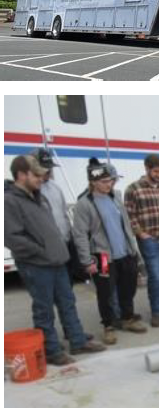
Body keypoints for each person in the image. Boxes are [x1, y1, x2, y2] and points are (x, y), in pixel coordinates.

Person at [5, 155, 106, 365]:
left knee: (67, 302)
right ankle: (51, 350)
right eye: (37, 174)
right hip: (36, 265)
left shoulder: (38, 196)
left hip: (57, 260)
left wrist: (58, 249)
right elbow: (12, 238)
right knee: (44, 309)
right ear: (22, 175)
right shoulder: (9, 200)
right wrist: (42, 251)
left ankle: (77, 341)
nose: (42, 178)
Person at [73, 162, 147, 345]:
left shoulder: (115, 197)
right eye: (105, 181)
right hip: (103, 257)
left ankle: (127, 318)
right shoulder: (84, 204)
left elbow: (126, 226)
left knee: (128, 288)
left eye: (111, 180)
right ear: (93, 181)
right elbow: (80, 234)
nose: (110, 184)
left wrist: (134, 250)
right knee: (105, 293)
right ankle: (108, 326)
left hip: (125, 253)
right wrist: (86, 260)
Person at [124, 154, 159, 328]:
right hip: (150, 240)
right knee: (154, 276)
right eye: (156, 171)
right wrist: (140, 233)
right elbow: (130, 215)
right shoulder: (133, 189)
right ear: (146, 168)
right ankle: (156, 312)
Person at [32, 147, 84, 285]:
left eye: (50, 168)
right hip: (45, 250)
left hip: (64, 245)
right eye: (45, 169)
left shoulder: (55, 188)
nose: (48, 172)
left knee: (67, 288)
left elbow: (64, 214)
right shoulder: (31, 192)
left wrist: (68, 236)